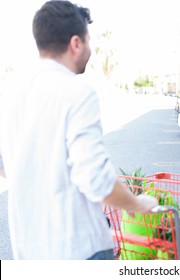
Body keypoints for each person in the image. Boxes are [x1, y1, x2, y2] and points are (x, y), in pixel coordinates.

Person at [0, 0, 157, 260]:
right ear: (76, 43)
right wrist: (138, 205)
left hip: (29, 250)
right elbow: (95, 179)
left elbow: (4, 163)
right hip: (80, 249)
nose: (90, 49)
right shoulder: (76, 91)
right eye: (88, 40)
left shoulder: (11, 94)